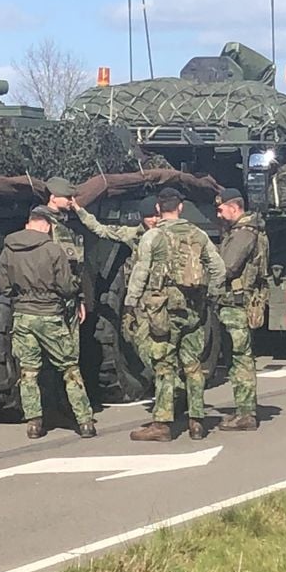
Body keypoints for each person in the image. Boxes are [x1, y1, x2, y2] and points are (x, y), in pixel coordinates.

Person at [126, 188, 226, 442]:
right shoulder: (198, 234)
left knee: (164, 364)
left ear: (158, 208)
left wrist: (130, 303)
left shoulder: (153, 236)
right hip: (194, 308)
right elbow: (218, 269)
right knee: (193, 364)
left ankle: (162, 423)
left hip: (163, 309)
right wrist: (210, 295)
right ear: (181, 207)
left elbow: (141, 272)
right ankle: (197, 421)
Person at [0, 206, 96, 439]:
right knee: (69, 368)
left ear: (29, 222)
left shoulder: (8, 249)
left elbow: (3, 286)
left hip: (23, 316)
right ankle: (84, 421)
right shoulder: (53, 250)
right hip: (50, 314)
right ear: (46, 225)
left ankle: (34, 423)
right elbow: (66, 287)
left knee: (29, 371)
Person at [72, 195, 161, 369]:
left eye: (157, 216)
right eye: (150, 216)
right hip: (144, 294)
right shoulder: (133, 234)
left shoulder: (168, 233)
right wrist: (78, 210)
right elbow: (100, 229)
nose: (154, 220)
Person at [214, 188, 269, 432]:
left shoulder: (244, 234)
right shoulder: (247, 231)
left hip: (237, 303)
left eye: (221, 209)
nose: (219, 214)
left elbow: (228, 267)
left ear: (234, 207)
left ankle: (246, 413)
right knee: (237, 357)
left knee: (240, 358)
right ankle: (243, 410)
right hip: (238, 302)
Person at [44, 176, 90, 358]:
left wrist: (80, 299)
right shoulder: (43, 222)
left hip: (69, 298)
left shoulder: (64, 224)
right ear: (53, 197)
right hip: (51, 299)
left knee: (71, 354)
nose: (72, 201)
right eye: (67, 197)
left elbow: (74, 266)